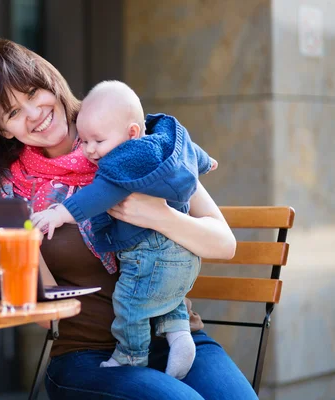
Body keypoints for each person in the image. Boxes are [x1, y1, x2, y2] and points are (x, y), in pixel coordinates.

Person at [0, 39, 257, 400]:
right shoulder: (10, 192)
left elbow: (224, 244)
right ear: (4, 130)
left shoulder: (134, 139)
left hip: (177, 338)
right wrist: (27, 252)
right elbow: (45, 319)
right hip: (88, 356)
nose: (34, 113)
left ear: (52, 82)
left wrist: (157, 215)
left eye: (34, 93)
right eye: (14, 112)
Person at [31, 80, 213, 378]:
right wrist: (207, 163)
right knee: (162, 294)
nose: (89, 150)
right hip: (180, 262)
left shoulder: (121, 162)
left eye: (96, 142)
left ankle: (130, 355)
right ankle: (179, 336)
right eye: (85, 140)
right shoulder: (163, 144)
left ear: (132, 132)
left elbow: (97, 195)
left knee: (129, 301)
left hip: (149, 253)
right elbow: (190, 153)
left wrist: (61, 213)